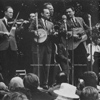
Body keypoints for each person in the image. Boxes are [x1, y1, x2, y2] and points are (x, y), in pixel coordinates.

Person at [29, 8, 55, 89]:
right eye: (46, 13)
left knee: (46, 66)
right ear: (42, 14)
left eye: (49, 13)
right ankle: (35, 84)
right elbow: (29, 30)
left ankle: (45, 83)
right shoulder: (36, 21)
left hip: (48, 47)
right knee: (37, 65)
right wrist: (34, 32)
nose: (48, 14)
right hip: (38, 46)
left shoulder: (51, 24)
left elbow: (53, 34)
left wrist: (53, 33)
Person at [64, 6, 89, 85]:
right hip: (73, 46)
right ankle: (75, 83)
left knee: (84, 62)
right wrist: (72, 34)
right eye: (67, 12)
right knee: (75, 64)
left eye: (69, 12)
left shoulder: (80, 19)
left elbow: (87, 29)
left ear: (73, 12)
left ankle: (86, 82)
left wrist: (82, 35)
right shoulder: (65, 22)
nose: (68, 14)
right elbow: (62, 31)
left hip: (81, 44)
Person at [0, 6, 18, 85]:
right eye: (10, 12)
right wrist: (4, 33)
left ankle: (12, 83)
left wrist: (18, 28)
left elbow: (15, 35)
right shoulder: (0, 21)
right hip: (4, 47)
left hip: (13, 47)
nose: (12, 14)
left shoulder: (14, 22)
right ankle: (6, 83)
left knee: (13, 67)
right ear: (5, 12)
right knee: (4, 66)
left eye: (12, 13)